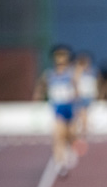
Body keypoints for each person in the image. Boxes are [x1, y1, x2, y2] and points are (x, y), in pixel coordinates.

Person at [34, 44, 79, 177]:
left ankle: (69, 148)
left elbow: (77, 91)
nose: (60, 59)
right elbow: (41, 87)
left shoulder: (71, 73)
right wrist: (38, 96)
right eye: (58, 56)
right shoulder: (49, 74)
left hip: (69, 107)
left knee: (70, 135)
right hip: (58, 108)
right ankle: (60, 163)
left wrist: (77, 103)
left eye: (63, 55)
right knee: (58, 136)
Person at [73, 51, 98, 154]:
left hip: (88, 96)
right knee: (81, 116)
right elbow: (75, 82)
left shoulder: (91, 71)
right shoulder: (77, 72)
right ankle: (81, 135)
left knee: (85, 116)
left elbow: (94, 83)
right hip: (81, 97)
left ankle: (83, 134)